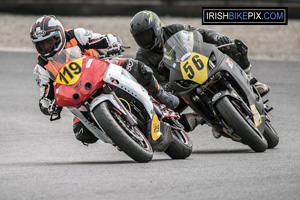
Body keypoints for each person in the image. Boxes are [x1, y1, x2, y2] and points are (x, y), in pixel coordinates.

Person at [30, 15, 180, 145]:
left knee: (136, 68)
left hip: (103, 69)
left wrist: (113, 43)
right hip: (80, 96)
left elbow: (104, 38)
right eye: (41, 44)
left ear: (60, 34)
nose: (46, 46)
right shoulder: (42, 68)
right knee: (82, 133)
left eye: (49, 41)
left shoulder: (76, 35)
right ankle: (120, 136)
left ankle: (161, 95)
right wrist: (49, 106)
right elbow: (45, 95)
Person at [129, 10, 270, 132]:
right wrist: (163, 88)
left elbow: (199, 33)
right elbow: (151, 82)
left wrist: (217, 37)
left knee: (236, 48)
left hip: (199, 64)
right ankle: (203, 119)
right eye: (140, 37)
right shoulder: (142, 58)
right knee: (165, 115)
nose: (144, 39)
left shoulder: (174, 29)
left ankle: (251, 81)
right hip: (179, 85)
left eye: (147, 34)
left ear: (157, 28)